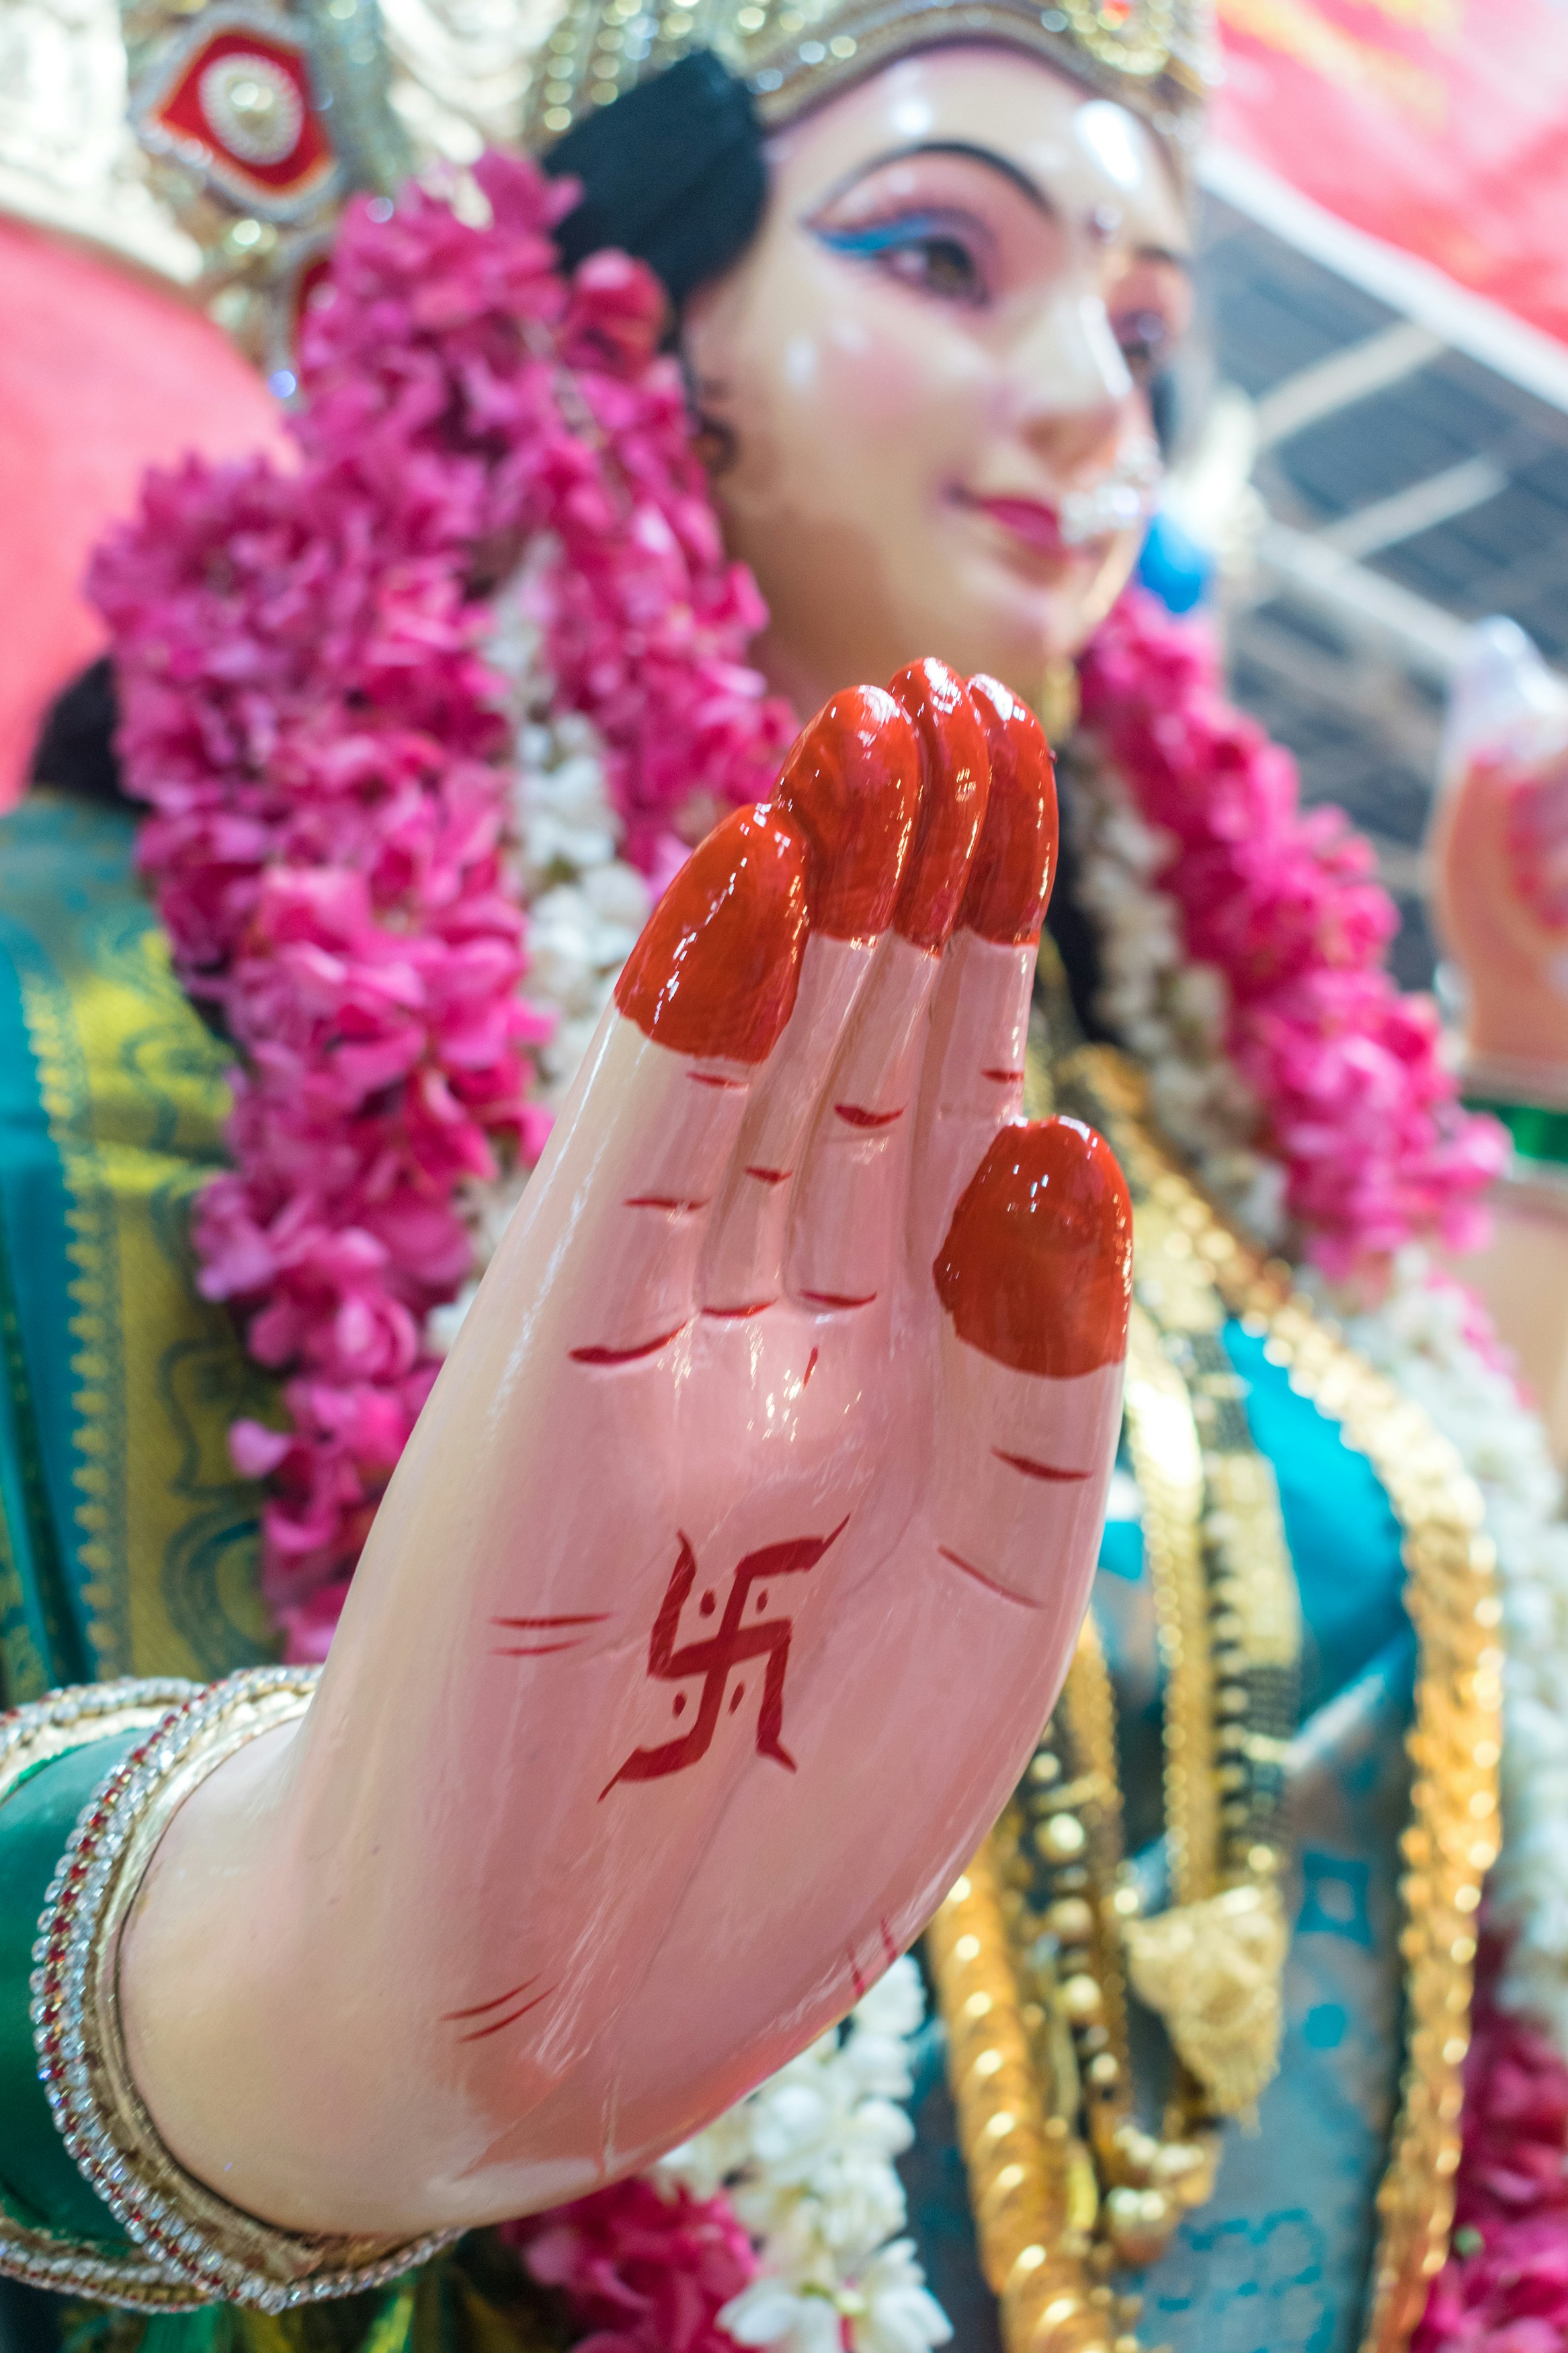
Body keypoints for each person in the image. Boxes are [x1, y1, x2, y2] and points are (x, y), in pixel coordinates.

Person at [1, 5, 1565, 2353]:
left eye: (1150, 333)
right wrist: (253, 2011)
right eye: (942, 254)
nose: (1101, 409)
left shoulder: (1173, 1104)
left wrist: (1530, 1070)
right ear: (610, 312)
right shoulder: (105, 1021)